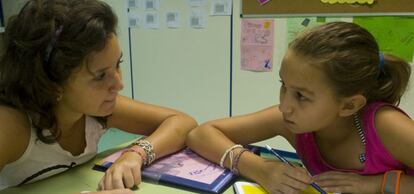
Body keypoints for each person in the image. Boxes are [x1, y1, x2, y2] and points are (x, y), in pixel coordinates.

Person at [186, 21, 414, 194]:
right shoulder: (291, 120)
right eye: (283, 85)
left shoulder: (387, 126)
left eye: (301, 96)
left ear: (349, 105)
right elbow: (201, 134)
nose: (285, 106)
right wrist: (259, 168)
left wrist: (378, 184)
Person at [0, 0, 197, 193]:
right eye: (100, 75)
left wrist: (136, 153)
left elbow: (183, 122)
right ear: (53, 84)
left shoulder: (96, 109)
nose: (119, 84)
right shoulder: (11, 125)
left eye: (117, 64)